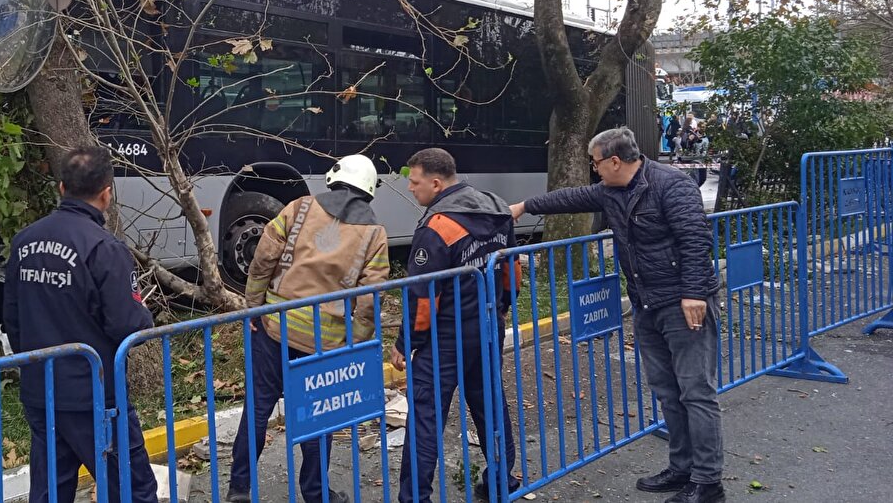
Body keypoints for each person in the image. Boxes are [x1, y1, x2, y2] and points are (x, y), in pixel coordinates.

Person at [508, 128, 724, 503]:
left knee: (695, 392)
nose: (594, 171)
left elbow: (695, 239)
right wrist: (525, 207)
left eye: (595, 163)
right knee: (667, 393)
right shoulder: (612, 191)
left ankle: (708, 483)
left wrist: (693, 294)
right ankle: (681, 468)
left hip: (683, 303)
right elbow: (571, 198)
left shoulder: (670, 185)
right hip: (646, 302)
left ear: (614, 161)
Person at [227, 154, 390, 503]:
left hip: (274, 327)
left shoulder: (299, 207)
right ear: (369, 190)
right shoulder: (374, 233)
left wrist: (253, 308)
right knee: (321, 419)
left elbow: (262, 260)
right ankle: (316, 493)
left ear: (334, 177)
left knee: (258, 409)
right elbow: (369, 300)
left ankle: (239, 489)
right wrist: (355, 345)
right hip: (325, 341)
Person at [4, 146, 159, 503]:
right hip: (95, 397)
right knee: (134, 489)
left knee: (50, 491)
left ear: (61, 188)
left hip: (41, 390)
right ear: (107, 193)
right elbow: (127, 326)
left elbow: (13, 319)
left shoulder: (24, 241)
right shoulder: (104, 248)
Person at [391, 148, 520, 503]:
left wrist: (406, 342)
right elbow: (510, 268)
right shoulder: (496, 207)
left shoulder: (437, 227)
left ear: (435, 183)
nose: (412, 190)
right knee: (490, 404)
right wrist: (503, 308)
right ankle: (500, 480)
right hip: (489, 326)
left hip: (445, 337)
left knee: (426, 418)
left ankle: (416, 496)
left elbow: (422, 298)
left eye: (415, 184)